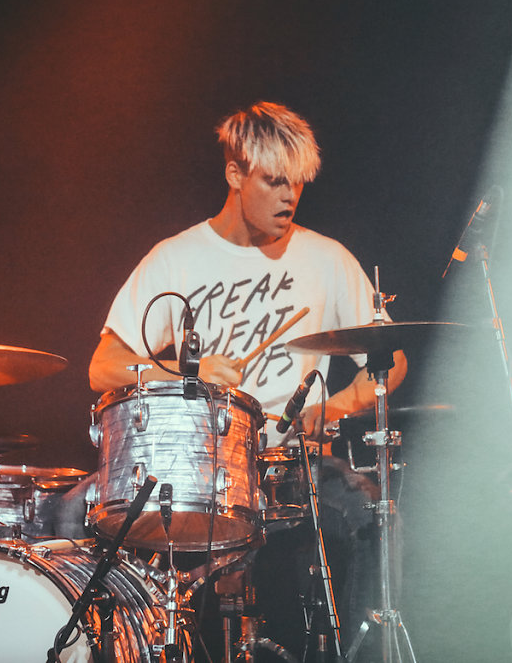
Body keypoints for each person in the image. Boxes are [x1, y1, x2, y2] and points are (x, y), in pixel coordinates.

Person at [62, 101, 407, 654]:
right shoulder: (174, 259)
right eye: (273, 182)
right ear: (234, 174)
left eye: (296, 183)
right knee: (65, 514)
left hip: (289, 462)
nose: (289, 197)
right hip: (189, 467)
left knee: (368, 514)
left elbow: (389, 363)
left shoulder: (326, 259)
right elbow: (102, 367)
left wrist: (334, 408)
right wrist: (182, 370)